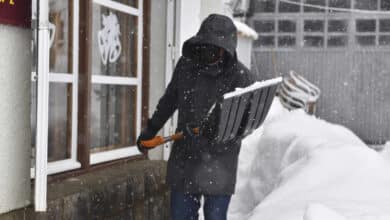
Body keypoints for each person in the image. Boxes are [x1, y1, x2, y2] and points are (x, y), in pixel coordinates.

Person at [137, 14, 255, 220]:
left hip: (220, 163)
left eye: (215, 48)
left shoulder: (241, 77)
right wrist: (151, 129)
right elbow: (169, 101)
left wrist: (216, 131)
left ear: (227, 48)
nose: (208, 52)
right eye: (206, 45)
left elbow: (247, 123)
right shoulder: (186, 66)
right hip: (186, 157)